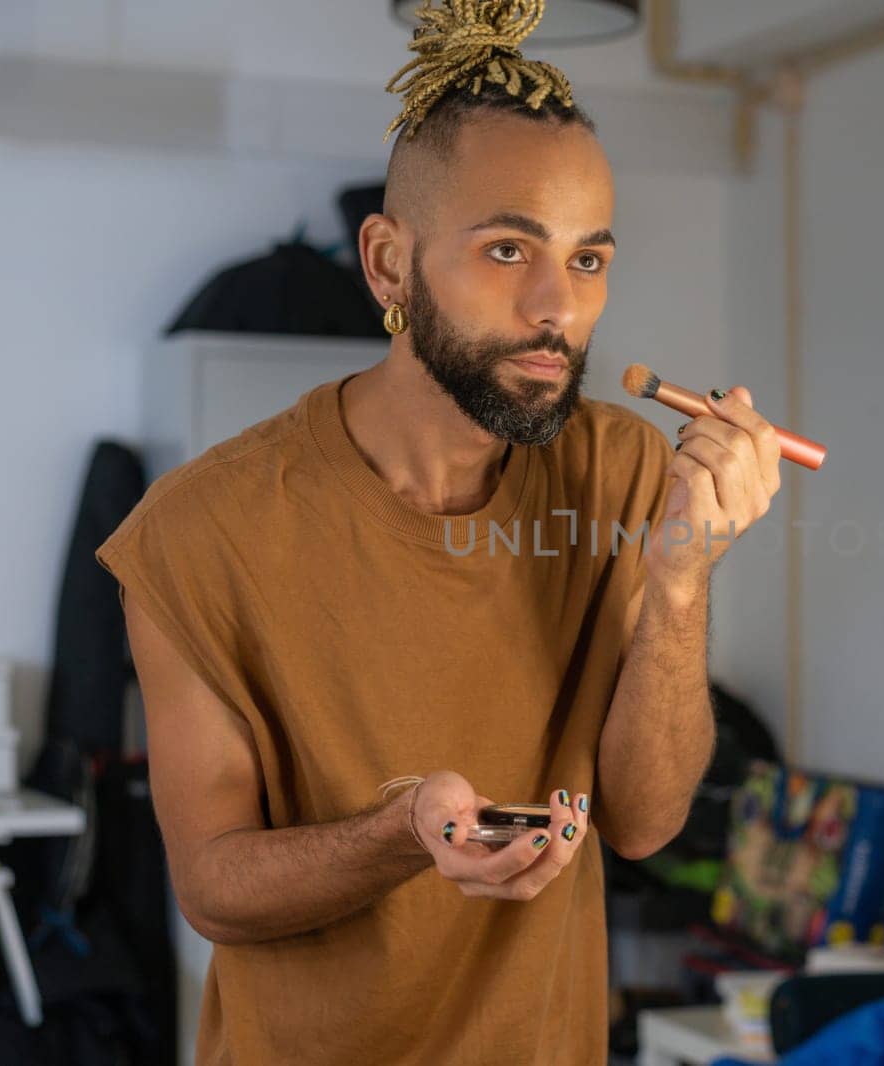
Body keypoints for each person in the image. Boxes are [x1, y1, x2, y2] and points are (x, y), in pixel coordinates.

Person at [95, 2, 784, 1062]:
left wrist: (682, 581)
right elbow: (215, 888)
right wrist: (401, 832)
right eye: (508, 249)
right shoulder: (200, 529)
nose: (558, 306)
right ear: (386, 265)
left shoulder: (621, 471)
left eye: (588, 260)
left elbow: (645, 821)